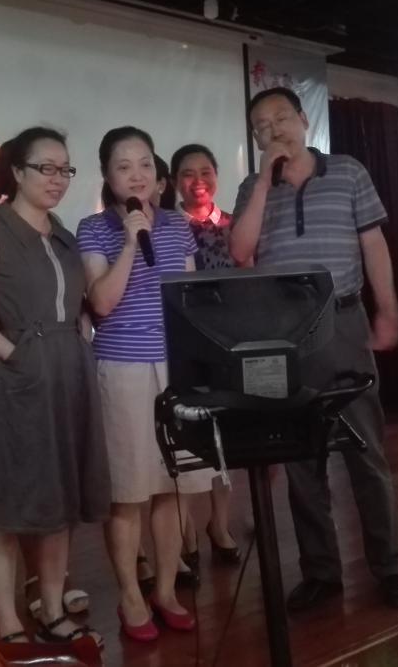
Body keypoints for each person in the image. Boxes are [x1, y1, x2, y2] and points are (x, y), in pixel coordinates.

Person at [229, 87, 398, 611]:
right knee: (299, 458)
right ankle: (321, 572)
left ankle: (390, 567)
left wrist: (388, 308)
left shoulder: (349, 172)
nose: (274, 130)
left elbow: (373, 245)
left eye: (281, 118)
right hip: (282, 332)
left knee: (365, 449)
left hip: (343, 321)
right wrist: (263, 182)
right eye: (262, 126)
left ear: (303, 120)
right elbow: (240, 251)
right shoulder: (251, 188)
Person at [0, 127, 109, 647]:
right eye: (46, 168)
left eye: (65, 170)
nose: (58, 179)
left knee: (60, 505)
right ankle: (9, 624)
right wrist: (12, 353)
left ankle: (53, 609)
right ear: (17, 172)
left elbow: (78, 304)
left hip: (69, 375)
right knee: (6, 510)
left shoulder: (62, 235)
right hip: (18, 379)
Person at [77, 126, 215, 642]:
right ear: (107, 176)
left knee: (175, 487)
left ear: (156, 173)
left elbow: (189, 298)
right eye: (123, 166)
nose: (135, 175)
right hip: (124, 369)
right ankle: (131, 597)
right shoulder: (94, 228)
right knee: (129, 491)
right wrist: (132, 244)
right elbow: (102, 303)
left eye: (143, 164)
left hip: (177, 369)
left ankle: (166, 589)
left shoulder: (178, 225)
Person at [169, 144, 242, 569]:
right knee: (186, 438)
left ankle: (220, 524)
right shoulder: (166, 227)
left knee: (224, 439)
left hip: (226, 344)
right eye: (187, 173)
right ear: (174, 181)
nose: (198, 181)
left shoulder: (233, 225)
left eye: (205, 171)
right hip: (184, 345)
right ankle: (186, 533)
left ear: (216, 175)